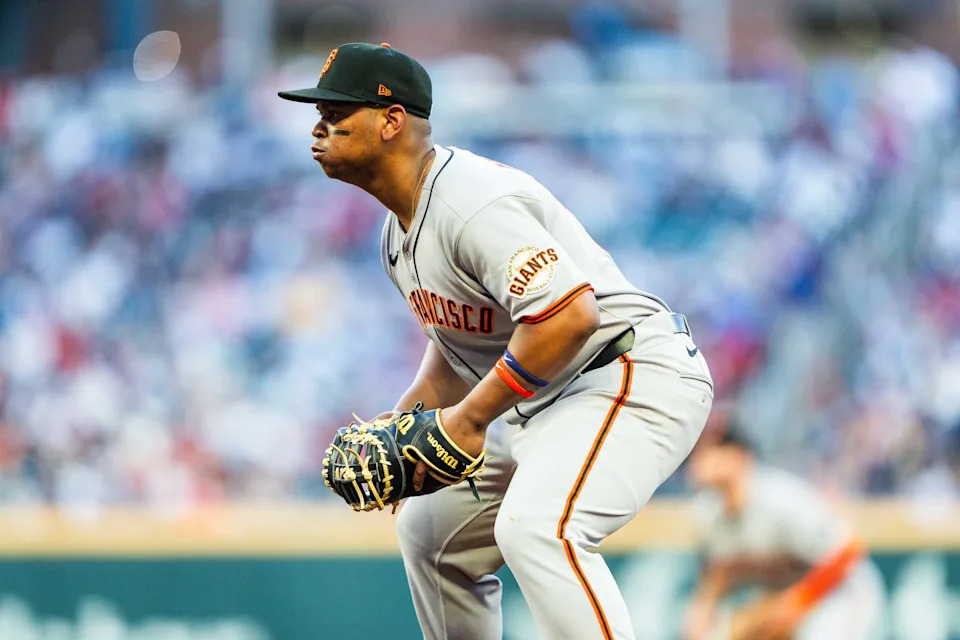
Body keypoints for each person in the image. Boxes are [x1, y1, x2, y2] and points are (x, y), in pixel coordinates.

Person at [279, 42, 713, 640]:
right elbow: (458, 348)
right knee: (431, 536)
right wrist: (406, 420)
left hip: (627, 371)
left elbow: (568, 318)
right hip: (546, 399)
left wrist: (469, 420)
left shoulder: (469, 200)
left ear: (391, 121)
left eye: (336, 111)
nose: (319, 126)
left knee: (538, 527)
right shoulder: (395, 234)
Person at [683, 424, 885, 640]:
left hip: (842, 595)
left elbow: (849, 551)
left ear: (738, 455)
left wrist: (798, 602)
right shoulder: (706, 514)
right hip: (783, 596)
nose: (698, 459)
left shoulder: (781, 499)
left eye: (710, 449)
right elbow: (716, 579)